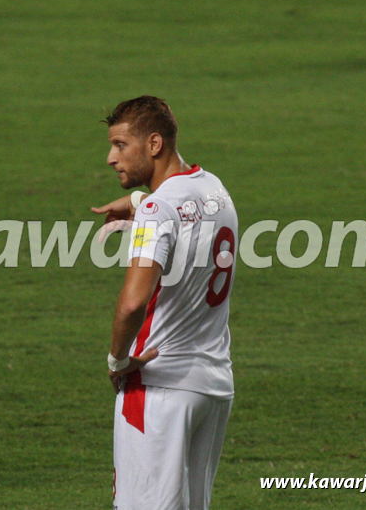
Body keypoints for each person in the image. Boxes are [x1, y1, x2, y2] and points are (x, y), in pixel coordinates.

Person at [92, 96, 237, 510]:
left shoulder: (159, 209)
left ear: (154, 144)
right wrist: (140, 203)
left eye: (120, 145)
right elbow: (184, 207)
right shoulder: (214, 188)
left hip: (159, 388)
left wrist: (118, 360)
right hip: (212, 387)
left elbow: (131, 304)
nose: (110, 158)